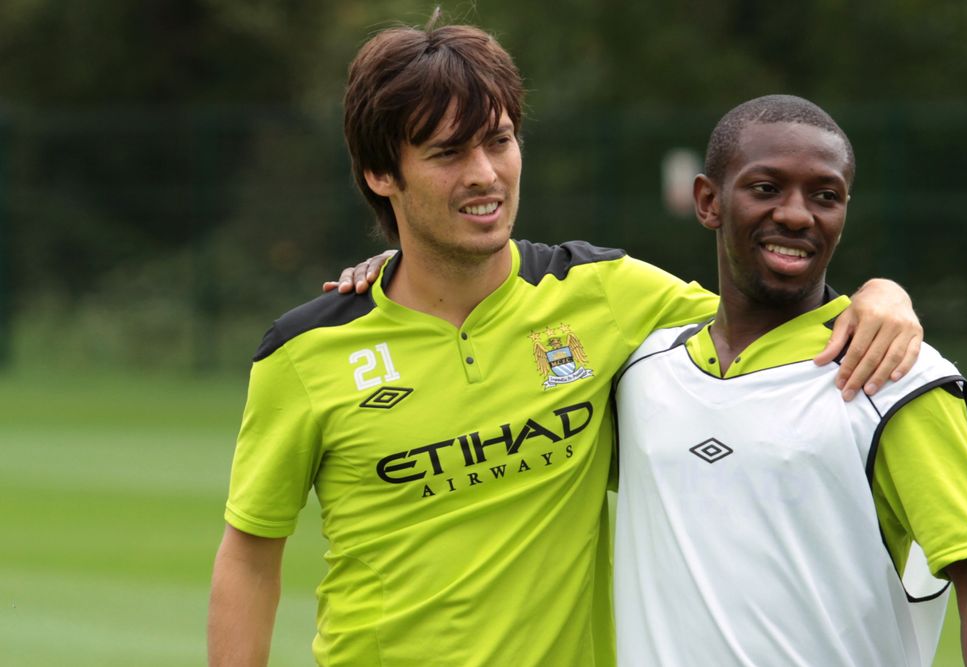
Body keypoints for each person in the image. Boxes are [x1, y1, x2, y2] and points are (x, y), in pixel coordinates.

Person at [207, 20, 924, 667]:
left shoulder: (606, 292)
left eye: (499, 140)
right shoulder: (305, 350)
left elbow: (767, 317)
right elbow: (250, 550)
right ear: (380, 173)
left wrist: (881, 294)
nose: (485, 173)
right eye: (448, 152)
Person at [611, 95, 967, 666]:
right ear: (708, 201)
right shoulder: (642, 370)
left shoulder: (892, 374)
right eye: (766, 188)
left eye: (825, 196)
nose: (797, 214)